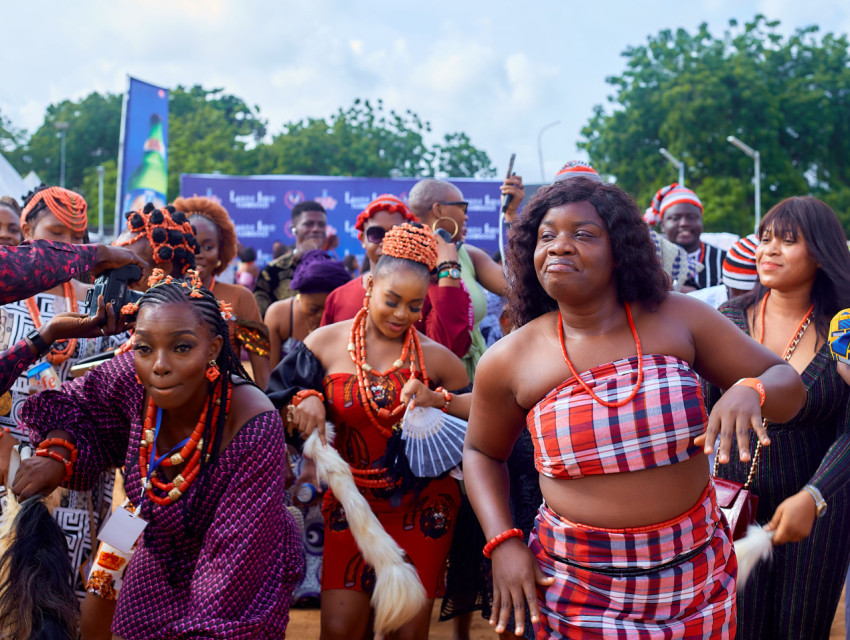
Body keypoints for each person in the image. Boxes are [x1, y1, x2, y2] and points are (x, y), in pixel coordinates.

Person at [463, 177, 806, 638]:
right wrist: (502, 542)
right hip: (576, 585)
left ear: (620, 248)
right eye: (546, 236)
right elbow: (483, 453)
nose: (560, 247)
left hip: (695, 575)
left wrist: (751, 390)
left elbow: (788, 386)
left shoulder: (679, 317)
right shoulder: (509, 358)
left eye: (583, 234)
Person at [13, 270, 303, 638]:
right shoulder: (134, 377)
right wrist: (57, 452)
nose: (160, 365)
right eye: (145, 348)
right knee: (95, 618)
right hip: (151, 539)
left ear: (213, 348)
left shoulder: (251, 425)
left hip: (236, 568)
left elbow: (226, 585)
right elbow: (78, 402)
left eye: (182, 347)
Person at [267, 223, 471, 640]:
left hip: (423, 507)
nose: (402, 315)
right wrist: (306, 398)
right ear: (370, 283)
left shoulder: (441, 361)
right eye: (392, 300)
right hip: (350, 506)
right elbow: (271, 405)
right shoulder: (323, 344)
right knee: (340, 631)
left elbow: (483, 415)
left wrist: (437, 400)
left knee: (406, 634)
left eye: (415, 307)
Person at [705, 196, 850, 640]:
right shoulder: (723, 322)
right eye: (765, 238)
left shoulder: (843, 329)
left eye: (788, 241)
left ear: (822, 253)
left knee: (800, 630)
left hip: (820, 512)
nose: (768, 250)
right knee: (737, 629)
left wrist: (816, 495)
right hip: (732, 507)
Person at [0, 185, 138, 600]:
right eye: (56, 234)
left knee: (69, 598)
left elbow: (109, 398)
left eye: (78, 239)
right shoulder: (4, 303)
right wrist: (12, 473)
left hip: (78, 476)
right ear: (28, 229)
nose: (69, 247)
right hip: (10, 469)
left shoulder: (100, 305)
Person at [320, 194, 473, 359]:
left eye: (397, 232)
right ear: (363, 239)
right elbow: (324, 355)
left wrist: (448, 270)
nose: (387, 240)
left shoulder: (428, 294)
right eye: (376, 233)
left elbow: (450, 351)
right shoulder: (339, 298)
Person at [409, 178, 514, 379]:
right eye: (461, 207)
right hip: (436, 381)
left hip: (478, 378)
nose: (466, 216)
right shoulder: (407, 259)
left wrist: (511, 217)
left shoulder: (468, 254)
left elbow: (517, 287)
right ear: (438, 210)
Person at [173, 196, 271, 389]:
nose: (198, 253)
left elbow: (262, 374)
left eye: (208, 247)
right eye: (190, 245)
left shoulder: (240, 298)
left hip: (228, 409)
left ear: (221, 252)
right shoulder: (156, 297)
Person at [266, 249, 350, 369]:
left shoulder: (346, 317)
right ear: (299, 295)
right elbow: (271, 374)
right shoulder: (278, 315)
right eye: (314, 308)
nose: (321, 315)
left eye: (329, 308)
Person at [254, 201, 328, 316]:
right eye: (309, 224)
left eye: (321, 225)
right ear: (294, 229)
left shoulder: (336, 271)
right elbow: (260, 318)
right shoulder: (272, 271)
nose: (316, 229)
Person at [649, 183, 726, 289]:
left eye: (691, 217)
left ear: (701, 221)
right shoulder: (650, 260)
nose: (684, 223)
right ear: (662, 225)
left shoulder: (723, 260)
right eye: (675, 218)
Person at [689, 234, 759, 309]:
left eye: (755, 297)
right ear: (725, 285)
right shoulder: (694, 305)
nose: (747, 303)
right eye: (739, 298)